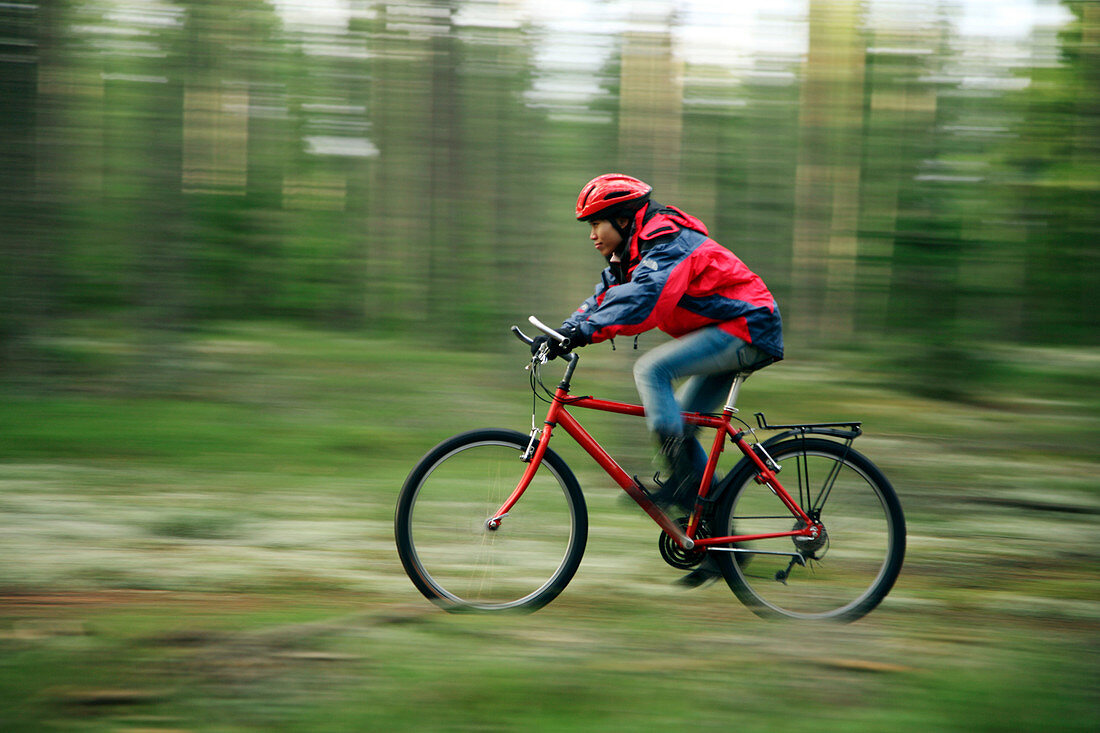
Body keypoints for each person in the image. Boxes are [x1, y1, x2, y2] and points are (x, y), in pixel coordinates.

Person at [531, 174, 784, 582]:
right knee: (680, 424)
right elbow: (605, 298)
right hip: (728, 330)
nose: (592, 235)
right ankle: (724, 545)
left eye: (597, 223)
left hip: (749, 326)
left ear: (624, 219)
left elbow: (644, 298)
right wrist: (563, 333)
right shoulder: (631, 255)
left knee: (652, 369)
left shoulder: (666, 243)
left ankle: (682, 487)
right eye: (589, 226)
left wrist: (585, 333)